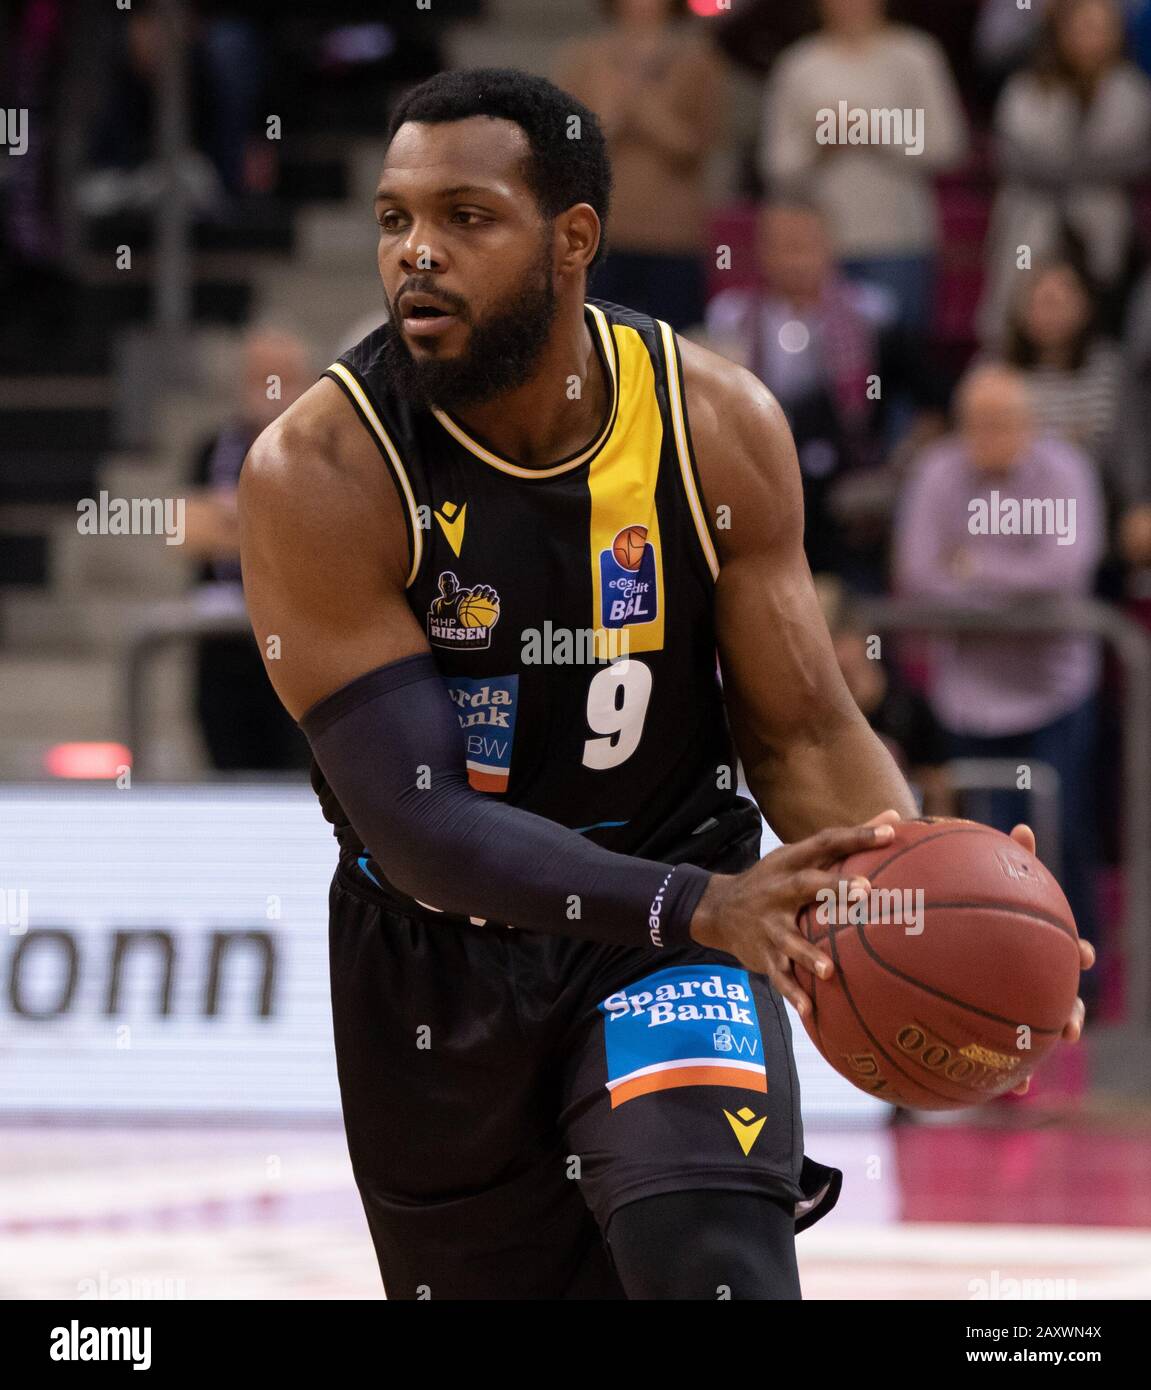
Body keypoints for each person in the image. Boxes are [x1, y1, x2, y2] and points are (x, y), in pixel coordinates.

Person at [238, 69, 1089, 1301]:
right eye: (392, 219)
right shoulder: (320, 471)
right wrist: (700, 904)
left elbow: (799, 728)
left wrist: (930, 889)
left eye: (465, 217)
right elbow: (419, 825)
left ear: (571, 238)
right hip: (440, 962)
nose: (416, 253)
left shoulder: (711, 424)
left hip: (674, 932)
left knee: (712, 1267)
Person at [894, 364, 1105, 946]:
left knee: (1064, 842)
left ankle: (1078, 982)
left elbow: (1067, 571)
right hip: (968, 700)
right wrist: (1011, 595)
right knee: (975, 855)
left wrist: (971, 570)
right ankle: (987, 979)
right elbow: (917, 575)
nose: (991, 435)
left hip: (1054, 694)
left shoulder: (1066, 470)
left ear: (1030, 422)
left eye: (1004, 422)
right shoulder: (937, 472)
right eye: (978, 423)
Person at [704, 198, 947, 583]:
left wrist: (897, 470)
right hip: (760, 485)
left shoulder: (874, 314)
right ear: (761, 251)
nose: (795, 258)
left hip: (848, 495)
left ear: (830, 246)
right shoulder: (730, 317)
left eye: (806, 244)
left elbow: (934, 401)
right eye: (783, 245)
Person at [759, 0, 968, 333]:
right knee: (830, 367)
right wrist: (821, 145)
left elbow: (948, 146)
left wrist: (873, 130)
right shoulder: (799, 64)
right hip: (820, 250)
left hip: (900, 240)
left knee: (899, 356)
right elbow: (776, 167)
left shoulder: (915, 55)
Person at [980, 0, 1151, 344]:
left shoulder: (1132, 91)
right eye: (1082, 27)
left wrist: (1066, 167)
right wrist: (1088, 169)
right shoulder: (1027, 88)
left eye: (1100, 28)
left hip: (1103, 232)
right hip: (1031, 224)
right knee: (1022, 310)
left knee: (1099, 329)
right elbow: (1011, 156)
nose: (1090, 39)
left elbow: (1138, 159)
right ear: (1060, 31)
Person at [183, 325, 315, 772]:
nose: (270, 392)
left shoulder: (323, 452)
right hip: (226, 650)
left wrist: (236, 522)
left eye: (281, 378)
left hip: (299, 651)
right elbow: (189, 531)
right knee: (228, 771)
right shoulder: (211, 450)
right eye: (259, 378)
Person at [554, 0, 727, 331]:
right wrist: (613, 116)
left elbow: (700, 146)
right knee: (596, 346)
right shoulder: (584, 58)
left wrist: (644, 109)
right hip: (601, 234)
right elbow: (569, 143)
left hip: (674, 236)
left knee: (674, 350)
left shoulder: (698, 61)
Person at [1000, 258, 1121, 463]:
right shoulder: (998, 371)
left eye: (1053, 303)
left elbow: (1122, 443)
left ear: (1084, 307)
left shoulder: (1111, 368)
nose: (1046, 315)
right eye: (1035, 303)